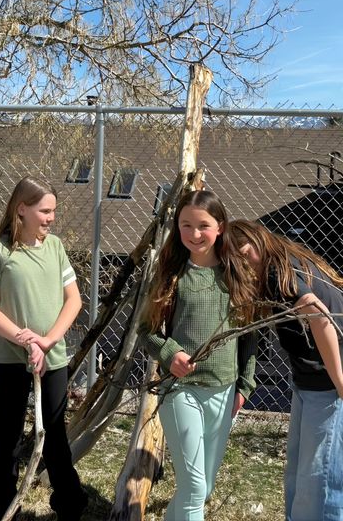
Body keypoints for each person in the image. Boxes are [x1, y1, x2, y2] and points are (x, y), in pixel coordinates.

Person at [0, 176, 88, 521]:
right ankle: (3, 506)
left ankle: (70, 504)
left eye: (53, 211)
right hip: (11, 358)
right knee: (9, 433)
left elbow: (74, 300)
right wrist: (26, 341)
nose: (51, 217)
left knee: (54, 432)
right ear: (22, 209)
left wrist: (48, 340)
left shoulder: (55, 247)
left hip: (52, 357)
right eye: (45, 210)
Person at [139, 190, 257, 521]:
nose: (194, 234)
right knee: (193, 488)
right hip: (180, 390)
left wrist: (244, 387)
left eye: (203, 225)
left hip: (223, 391)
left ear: (220, 226)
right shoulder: (172, 273)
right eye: (185, 225)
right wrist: (169, 352)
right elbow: (146, 331)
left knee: (202, 490)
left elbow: (250, 336)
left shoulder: (238, 276)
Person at [230, 219, 343, 521]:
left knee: (319, 479)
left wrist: (341, 383)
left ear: (258, 240)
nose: (241, 263)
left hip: (329, 381)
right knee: (298, 470)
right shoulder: (274, 266)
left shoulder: (277, 270)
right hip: (308, 381)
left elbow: (319, 315)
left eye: (244, 253)